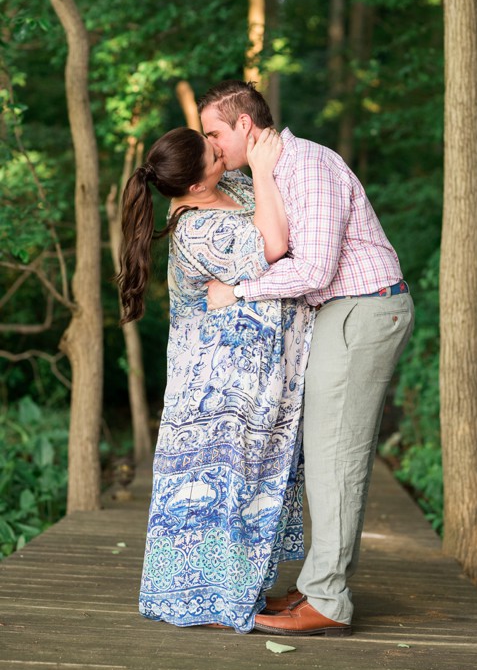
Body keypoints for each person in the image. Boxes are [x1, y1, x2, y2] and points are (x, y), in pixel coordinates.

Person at [197, 81, 414, 637]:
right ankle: (321, 580)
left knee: (334, 458)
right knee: (321, 457)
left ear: (245, 125)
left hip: (360, 310)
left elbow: (314, 271)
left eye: (214, 133)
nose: (213, 146)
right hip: (343, 312)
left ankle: (327, 599)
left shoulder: (309, 165)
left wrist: (238, 291)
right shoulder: (271, 172)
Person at [117, 126, 315, 633]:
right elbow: (274, 243)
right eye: (212, 153)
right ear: (197, 185)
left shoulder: (233, 189)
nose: (221, 150)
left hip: (253, 378)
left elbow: (286, 215)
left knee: (251, 483)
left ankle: (235, 591)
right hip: (217, 389)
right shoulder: (196, 228)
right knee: (219, 489)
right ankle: (204, 600)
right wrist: (266, 170)